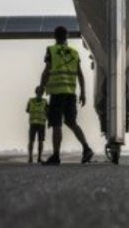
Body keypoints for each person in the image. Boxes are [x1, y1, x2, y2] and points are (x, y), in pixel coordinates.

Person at [39, 26, 93, 165]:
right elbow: (80, 74)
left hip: (57, 92)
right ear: (66, 36)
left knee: (57, 124)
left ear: (55, 37)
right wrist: (83, 93)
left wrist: (41, 87)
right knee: (72, 122)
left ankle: (56, 156)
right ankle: (86, 148)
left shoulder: (51, 50)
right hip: (71, 93)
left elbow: (47, 71)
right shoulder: (74, 52)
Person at [26, 86, 48, 164]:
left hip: (40, 123)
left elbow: (27, 110)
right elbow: (28, 110)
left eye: (41, 92)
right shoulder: (31, 101)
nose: (40, 93)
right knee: (32, 141)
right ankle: (31, 157)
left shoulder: (44, 102)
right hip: (35, 123)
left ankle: (38, 157)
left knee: (40, 141)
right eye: (39, 92)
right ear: (36, 92)